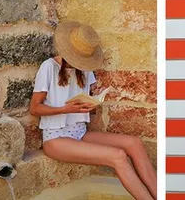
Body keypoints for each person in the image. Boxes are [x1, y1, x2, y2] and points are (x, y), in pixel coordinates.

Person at [30, 21, 157, 200]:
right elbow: (35, 108)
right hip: (56, 138)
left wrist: (93, 103)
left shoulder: (85, 69)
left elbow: (86, 99)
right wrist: (64, 109)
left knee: (134, 143)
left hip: (79, 132)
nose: (79, 63)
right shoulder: (48, 67)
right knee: (118, 156)